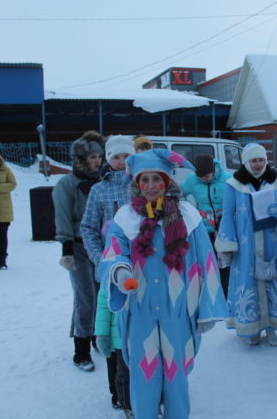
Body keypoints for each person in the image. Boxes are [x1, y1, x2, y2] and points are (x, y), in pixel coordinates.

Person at [98, 149, 228, 419]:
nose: (150, 187)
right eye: (144, 180)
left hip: (178, 310)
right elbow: (112, 254)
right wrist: (120, 273)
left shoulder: (188, 216)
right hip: (140, 310)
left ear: (167, 182)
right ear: (136, 183)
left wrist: (208, 308)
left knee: (176, 375)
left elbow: (207, 262)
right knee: (143, 376)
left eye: (156, 179)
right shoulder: (125, 218)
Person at [216, 143, 277, 346]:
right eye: (253, 160)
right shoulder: (233, 185)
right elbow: (227, 215)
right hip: (246, 244)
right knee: (248, 283)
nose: (258, 164)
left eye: (261, 160)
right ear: (246, 162)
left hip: (272, 242)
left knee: (273, 281)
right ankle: (252, 327)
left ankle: (271, 326)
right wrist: (228, 243)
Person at [79, 134, 135, 405]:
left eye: (126, 157)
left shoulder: (143, 184)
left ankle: (144, 385)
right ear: (108, 159)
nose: (122, 162)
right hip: (111, 271)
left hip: (142, 270)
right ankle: (117, 391)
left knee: (139, 330)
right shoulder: (99, 190)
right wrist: (100, 259)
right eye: (116, 157)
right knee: (113, 330)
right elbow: (88, 228)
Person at [52, 130, 105, 372]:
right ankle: (80, 351)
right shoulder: (66, 184)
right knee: (85, 298)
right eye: (92, 157)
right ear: (81, 159)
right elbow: (62, 216)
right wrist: (66, 249)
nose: (97, 161)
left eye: (100, 156)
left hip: (100, 246)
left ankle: (96, 335)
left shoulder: (103, 182)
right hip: (76, 246)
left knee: (100, 294)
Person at [181, 154, 232, 297]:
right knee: (206, 262)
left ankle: (224, 294)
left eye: (207, 175)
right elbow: (179, 191)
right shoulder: (192, 180)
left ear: (213, 170)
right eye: (202, 176)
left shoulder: (227, 179)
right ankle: (209, 294)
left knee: (224, 265)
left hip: (223, 232)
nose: (205, 179)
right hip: (204, 231)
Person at [94, 283, 132, 418]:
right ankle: (127, 405)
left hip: (144, 336)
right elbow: (103, 306)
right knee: (124, 373)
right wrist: (103, 334)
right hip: (120, 337)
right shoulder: (113, 268)